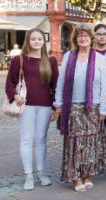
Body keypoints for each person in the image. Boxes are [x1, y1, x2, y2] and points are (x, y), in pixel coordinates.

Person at [53, 24, 106, 192]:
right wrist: (58, 104)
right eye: (79, 36)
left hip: (93, 106)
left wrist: (103, 109)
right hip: (72, 106)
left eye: (85, 35)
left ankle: (87, 175)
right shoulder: (68, 56)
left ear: (90, 38)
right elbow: (61, 81)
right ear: (75, 39)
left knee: (91, 142)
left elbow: (105, 84)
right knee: (74, 142)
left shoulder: (99, 58)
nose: (82, 38)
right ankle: (76, 177)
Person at [5, 28, 58, 190]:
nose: (36, 41)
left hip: (45, 106)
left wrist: (56, 107)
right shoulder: (19, 60)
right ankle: (29, 175)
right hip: (25, 106)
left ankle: (41, 173)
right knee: (26, 140)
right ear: (28, 41)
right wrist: (14, 96)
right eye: (33, 39)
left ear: (44, 41)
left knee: (41, 140)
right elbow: (10, 83)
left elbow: (55, 85)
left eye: (39, 39)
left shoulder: (51, 60)